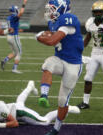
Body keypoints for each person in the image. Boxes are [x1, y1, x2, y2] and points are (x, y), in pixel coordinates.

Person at [36, 0, 84, 134]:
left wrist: (39, 37)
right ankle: (43, 96)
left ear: (61, 8)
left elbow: (52, 41)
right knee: (48, 64)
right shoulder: (53, 21)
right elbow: (52, 34)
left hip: (73, 64)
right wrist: (45, 34)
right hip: (60, 59)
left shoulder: (69, 19)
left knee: (63, 100)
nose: (49, 12)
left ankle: (56, 128)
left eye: (52, 9)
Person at [0, 80, 80, 128]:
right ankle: (30, 87)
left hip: (19, 113)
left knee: (44, 121)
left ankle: (68, 108)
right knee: (19, 102)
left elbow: (14, 123)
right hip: (12, 107)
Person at [1, 0, 28, 74]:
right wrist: (24, 4)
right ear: (15, 10)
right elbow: (21, 13)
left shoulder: (9, 17)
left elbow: (12, 27)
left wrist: (17, 30)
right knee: (19, 53)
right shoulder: (13, 16)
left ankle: (5, 60)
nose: (18, 10)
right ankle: (14, 69)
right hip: (14, 37)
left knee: (14, 52)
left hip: (9, 37)